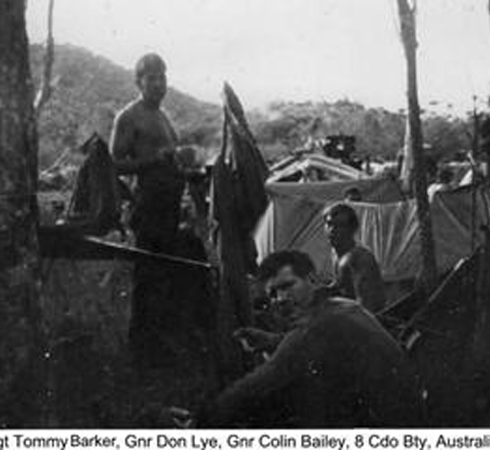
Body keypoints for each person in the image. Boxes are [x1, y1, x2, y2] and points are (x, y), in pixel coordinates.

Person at [201, 251, 423, 428]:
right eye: (273, 294)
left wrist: (203, 420)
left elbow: (256, 385)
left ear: (312, 280)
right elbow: (319, 343)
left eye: (287, 286)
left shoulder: (315, 328)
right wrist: (273, 341)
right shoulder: (341, 305)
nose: (281, 299)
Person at [109, 53, 185, 364]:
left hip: (169, 206)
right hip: (147, 207)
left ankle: (159, 344)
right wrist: (154, 160)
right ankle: (140, 349)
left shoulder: (163, 117)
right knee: (147, 277)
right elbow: (114, 164)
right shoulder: (129, 117)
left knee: (165, 275)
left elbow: (170, 160)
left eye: (162, 77)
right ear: (139, 82)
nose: (158, 83)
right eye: (151, 78)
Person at [323, 202, 386, 314]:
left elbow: (367, 307)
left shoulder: (359, 258)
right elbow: (342, 284)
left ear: (352, 229)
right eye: (329, 224)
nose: (332, 230)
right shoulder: (336, 253)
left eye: (339, 225)